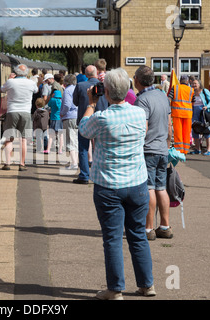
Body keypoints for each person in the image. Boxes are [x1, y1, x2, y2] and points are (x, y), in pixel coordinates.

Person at [78, 68, 155, 300]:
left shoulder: (102, 118)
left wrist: (91, 103)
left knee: (112, 238)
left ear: (107, 92)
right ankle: (147, 285)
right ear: (130, 89)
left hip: (108, 186)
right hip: (138, 184)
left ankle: (115, 289)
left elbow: (83, 129)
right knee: (138, 235)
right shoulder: (140, 114)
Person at [133, 66, 173, 240]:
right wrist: (169, 144)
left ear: (138, 81)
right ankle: (164, 226)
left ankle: (148, 229)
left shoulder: (142, 100)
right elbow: (169, 124)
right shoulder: (162, 96)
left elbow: (143, 127)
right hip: (162, 148)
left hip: (148, 149)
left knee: (149, 188)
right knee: (161, 188)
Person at [0, 64, 38, 171]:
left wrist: (9, 79)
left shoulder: (11, 82)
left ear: (16, 72)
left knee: (9, 139)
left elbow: (1, 90)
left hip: (12, 111)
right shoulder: (31, 82)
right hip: (26, 112)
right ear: (27, 73)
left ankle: (7, 163)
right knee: (23, 139)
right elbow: (36, 91)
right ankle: (21, 164)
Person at [72, 65, 99, 184]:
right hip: (100, 121)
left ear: (86, 74)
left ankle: (84, 175)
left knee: (83, 148)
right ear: (96, 72)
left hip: (85, 120)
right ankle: (98, 174)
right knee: (100, 148)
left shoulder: (80, 86)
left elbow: (75, 102)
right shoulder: (104, 86)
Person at [169, 75, 194, 154]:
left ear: (180, 81)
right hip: (187, 114)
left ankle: (179, 150)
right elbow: (193, 101)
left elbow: (169, 98)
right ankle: (185, 150)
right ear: (187, 81)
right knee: (186, 133)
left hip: (177, 113)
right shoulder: (191, 90)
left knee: (178, 132)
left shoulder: (175, 88)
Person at [190, 79, 210, 156]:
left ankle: (208, 150)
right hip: (194, 111)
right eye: (193, 83)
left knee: (207, 130)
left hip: (203, 112)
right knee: (195, 129)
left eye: (195, 83)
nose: (194, 85)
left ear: (199, 84)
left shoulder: (204, 91)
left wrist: (207, 106)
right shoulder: (191, 92)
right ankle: (197, 149)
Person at [60, 74, 78, 170]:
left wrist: (62, 113)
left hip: (69, 117)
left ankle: (74, 163)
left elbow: (67, 104)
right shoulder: (76, 89)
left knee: (70, 141)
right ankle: (75, 162)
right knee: (75, 140)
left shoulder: (67, 90)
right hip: (77, 116)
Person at [45, 90, 64, 154]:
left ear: (54, 94)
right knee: (60, 136)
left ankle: (48, 149)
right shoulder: (62, 101)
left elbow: (49, 104)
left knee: (51, 135)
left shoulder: (52, 100)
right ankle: (60, 150)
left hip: (53, 119)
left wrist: (52, 97)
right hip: (60, 119)